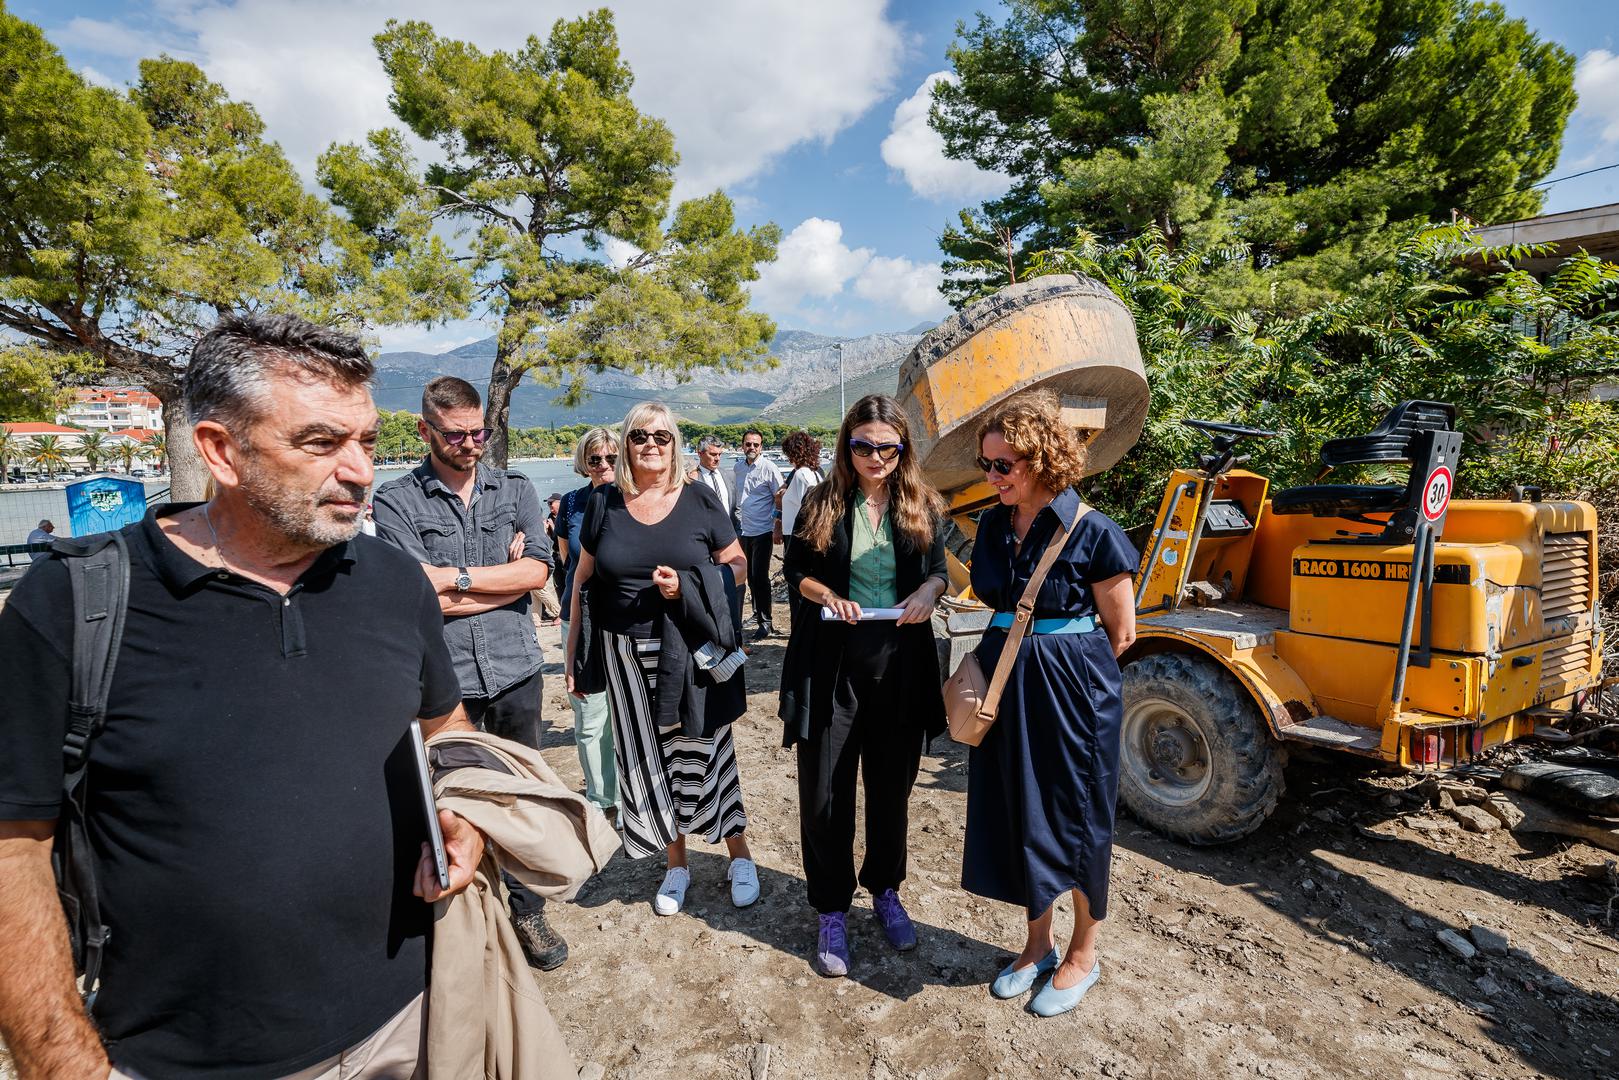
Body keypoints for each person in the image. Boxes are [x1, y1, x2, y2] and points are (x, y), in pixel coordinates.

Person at [0, 313, 484, 1079]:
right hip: (185, 1058)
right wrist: (62, 1063)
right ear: (220, 451)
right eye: (321, 443)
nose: (360, 470)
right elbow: (12, 846)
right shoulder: (72, 602)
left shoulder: (394, 583)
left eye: (365, 440)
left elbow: (445, 726)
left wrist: (462, 811)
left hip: (409, 1021)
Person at [372, 375, 568, 973]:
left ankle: (527, 909)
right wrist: (494, 581)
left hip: (515, 671)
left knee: (515, 795)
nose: (471, 442)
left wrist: (452, 578)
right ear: (426, 429)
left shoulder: (516, 488)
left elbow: (536, 575)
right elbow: (414, 595)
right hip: (444, 683)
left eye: (478, 431)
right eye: (456, 434)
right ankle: (465, 918)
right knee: (449, 800)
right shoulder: (395, 501)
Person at [960, 389, 1138, 1018]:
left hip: (1073, 694)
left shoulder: (1093, 530)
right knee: (1020, 811)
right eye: (987, 464)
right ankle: (1037, 944)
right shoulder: (989, 524)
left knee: (1080, 817)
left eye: (1002, 465)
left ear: (1040, 459)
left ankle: (1082, 956)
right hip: (1006, 684)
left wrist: (1061, 671)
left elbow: (1121, 634)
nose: (991, 477)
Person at [565, 402, 760, 916]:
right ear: (625, 444)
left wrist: (690, 587)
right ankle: (676, 862)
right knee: (644, 757)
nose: (651, 444)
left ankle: (738, 852)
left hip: (689, 646)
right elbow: (583, 579)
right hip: (622, 652)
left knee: (707, 747)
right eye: (639, 436)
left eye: (662, 436)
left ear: (675, 444)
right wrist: (572, 654)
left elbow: (738, 564)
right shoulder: (605, 502)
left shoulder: (698, 498)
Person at [779, 395, 949, 978]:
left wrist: (929, 593)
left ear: (903, 449)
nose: (874, 456)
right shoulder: (821, 502)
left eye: (886, 447)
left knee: (890, 791)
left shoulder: (923, 503)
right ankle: (831, 907)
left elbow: (938, 571)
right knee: (825, 794)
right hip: (831, 666)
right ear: (846, 445)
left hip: (900, 665)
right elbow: (794, 572)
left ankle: (884, 890)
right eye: (862, 445)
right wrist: (826, 596)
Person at [554, 428, 620, 818]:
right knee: (590, 715)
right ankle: (601, 798)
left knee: (631, 711)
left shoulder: (632, 500)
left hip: (627, 621)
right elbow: (568, 559)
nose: (603, 466)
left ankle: (635, 790)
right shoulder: (572, 504)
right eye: (595, 459)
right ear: (584, 463)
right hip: (579, 618)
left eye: (611, 458)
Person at [731, 428, 783, 639]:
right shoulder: (737, 468)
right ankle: (756, 612)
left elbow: (779, 497)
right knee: (748, 576)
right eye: (748, 444)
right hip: (742, 530)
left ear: (761, 447)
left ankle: (766, 622)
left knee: (760, 577)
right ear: (742, 445)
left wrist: (777, 525)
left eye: (755, 444)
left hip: (762, 530)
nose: (751, 447)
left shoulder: (769, 468)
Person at [773, 431, 824, 627]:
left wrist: (781, 500)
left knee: (798, 588)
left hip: (797, 536)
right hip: (798, 535)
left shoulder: (802, 474)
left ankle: (799, 631)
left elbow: (812, 508)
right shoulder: (814, 472)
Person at [689, 434, 732, 517]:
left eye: (720, 454)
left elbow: (736, 508)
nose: (717, 459)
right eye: (713, 454)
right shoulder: (692, 479)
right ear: (700, 454)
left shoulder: (729, 475)